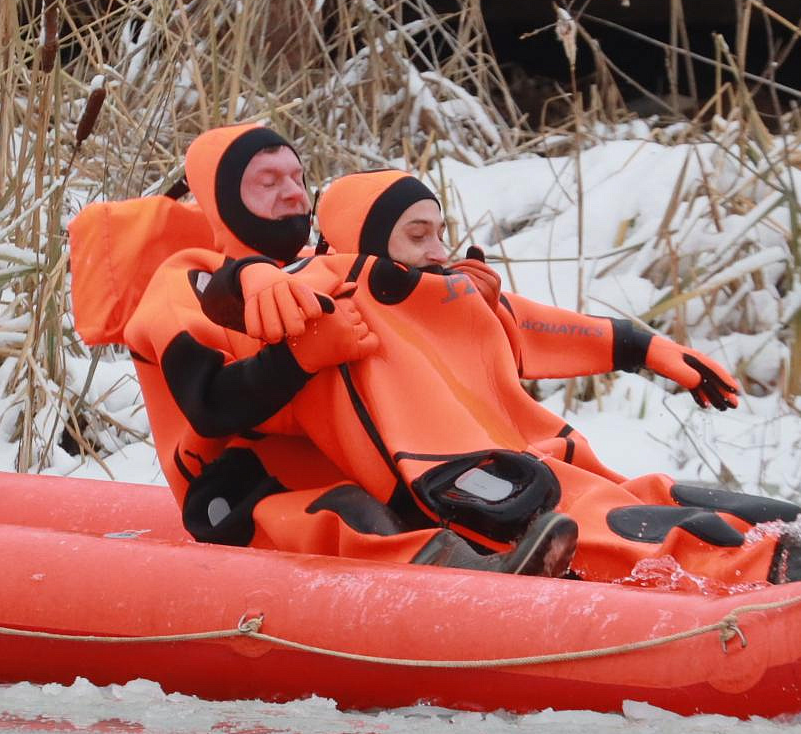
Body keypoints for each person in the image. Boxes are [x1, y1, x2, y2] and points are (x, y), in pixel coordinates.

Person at [102, 124, 577, 574]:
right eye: (267, 182)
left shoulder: (317, 267)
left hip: (345, 462)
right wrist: (297, 358)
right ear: (223, 200)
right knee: (347, 509)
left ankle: (516, 547)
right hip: (237, 491)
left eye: (297, 178)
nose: (293, 193)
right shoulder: (182, 287)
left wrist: (455, 304)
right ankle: (466, 578)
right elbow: (209, 406)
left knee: (431, 483)